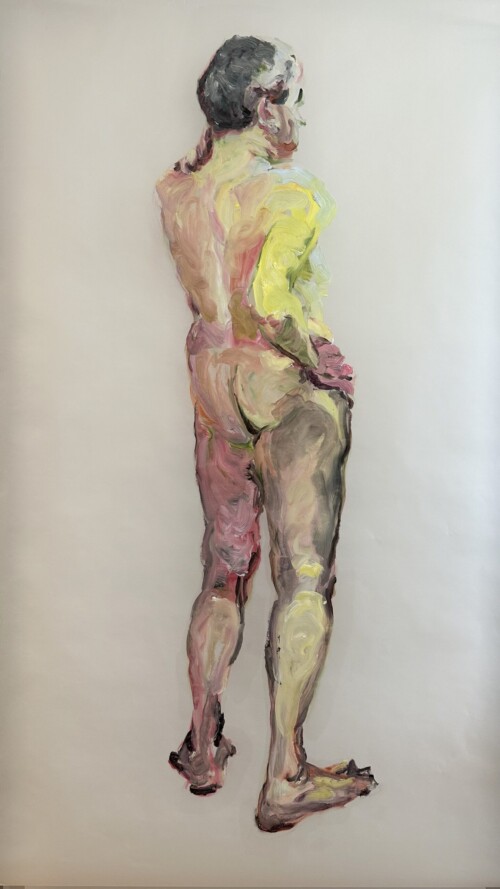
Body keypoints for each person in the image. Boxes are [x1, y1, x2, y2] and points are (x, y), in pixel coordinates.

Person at [156, 35, 376, 832]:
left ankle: (203, 744)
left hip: (215, 388)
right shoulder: (292, 192)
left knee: (224, 572)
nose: (303, 116)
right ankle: (285, 775)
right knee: (304, 578)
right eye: (295, 98)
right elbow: (272, 303)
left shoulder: (177, 189)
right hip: (284, 392)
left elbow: (217, 298)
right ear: (264, 104)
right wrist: (323, 363)